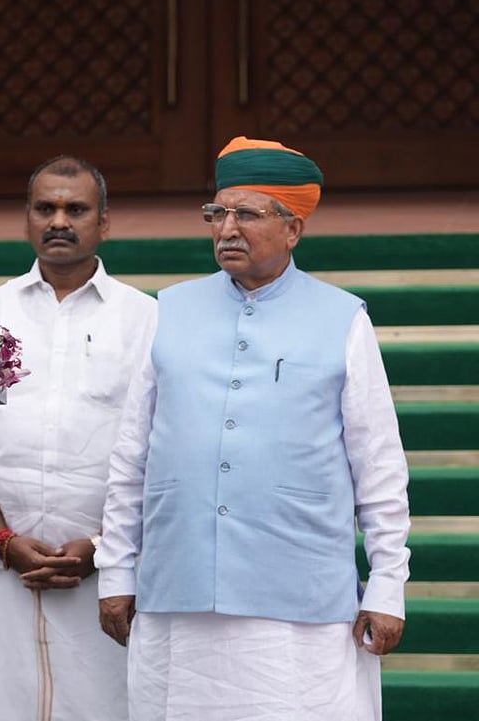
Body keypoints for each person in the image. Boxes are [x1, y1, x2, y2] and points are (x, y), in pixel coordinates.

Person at [96, 136, 411, 720]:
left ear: (293, 229)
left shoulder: (343, 318)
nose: (226, 229)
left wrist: (388, 583)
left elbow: (380, 465)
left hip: (299, 603)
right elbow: (131, 455)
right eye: (217, 213)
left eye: (247, 214)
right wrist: (116, 567)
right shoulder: (169, 310)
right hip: (177, 594)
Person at [0, 156, 156, 721]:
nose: (59, 220)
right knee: (0, 703)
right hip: (1, 569)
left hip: (107, 575)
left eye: (76, 209)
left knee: (106, 707)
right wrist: (3, 540)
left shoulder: (146, 319)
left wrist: (100, 548)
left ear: (104, 222)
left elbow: (161, 453)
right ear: (26, 219)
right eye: (45, 208)